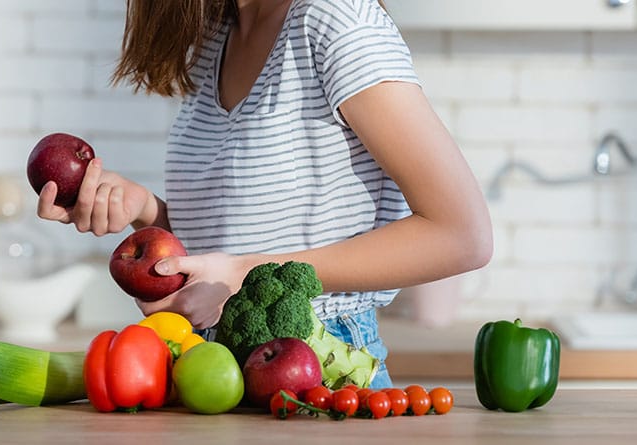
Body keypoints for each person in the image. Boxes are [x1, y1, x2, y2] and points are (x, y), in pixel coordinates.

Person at [35, 0, 492, 388]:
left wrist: (245, 272)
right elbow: (230, 251)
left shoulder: (335, 21)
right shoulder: (217, 33)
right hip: (209, 364)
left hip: (318, 361)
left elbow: (462, 234)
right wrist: (144, 209)